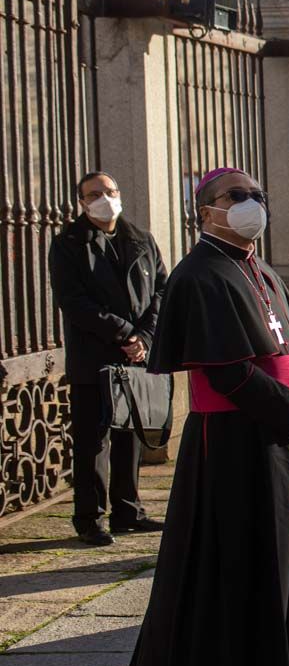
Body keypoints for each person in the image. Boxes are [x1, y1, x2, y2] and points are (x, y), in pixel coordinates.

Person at [121, 168, 289, 666]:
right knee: (230, 561)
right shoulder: (197, 275)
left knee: (274, 554)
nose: (250, 204)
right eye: (235, 197)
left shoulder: (259, 268)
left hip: (275, 432)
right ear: (205, 210)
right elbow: (227, 371)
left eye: (257, 194)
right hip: (232, 443)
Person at [48, 171, 168, 546]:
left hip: (136, 356)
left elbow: (162, 292)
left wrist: (144, 337)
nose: (105, 197)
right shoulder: (69, 243)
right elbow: (73, 301)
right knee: (92, 440)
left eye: (110, 190)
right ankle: (90, 518)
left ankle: (127, 510)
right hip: (94, 358)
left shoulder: (141, 240)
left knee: (130, 434)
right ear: (82, 202)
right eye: (95, 193)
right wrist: (124, 332)